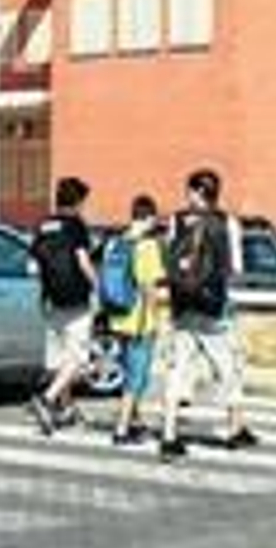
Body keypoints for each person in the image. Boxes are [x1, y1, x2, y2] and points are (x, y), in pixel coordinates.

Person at [159, 167, 259, 461]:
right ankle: (232, 430)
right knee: (229, 369)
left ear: (196, 192)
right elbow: (236, 269)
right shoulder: (227, 222)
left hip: (183, 308)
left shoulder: (176, 220)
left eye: (189, 190)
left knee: (177, 370)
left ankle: (168, 435)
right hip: (214, 309)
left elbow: (170, 263)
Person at [28, 175, 99, 436]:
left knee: (60, 360)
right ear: (78, 201)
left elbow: (33, 266)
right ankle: (47, 399)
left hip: (50, 300)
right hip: (76, 299)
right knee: (78, 359)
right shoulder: (75, 225)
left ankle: (65, 410)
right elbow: (83, 261)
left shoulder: (44, 225)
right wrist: (97, 286)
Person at [108, 194, 166, 446]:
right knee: (137, 378)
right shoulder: (147, 246)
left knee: (129, 372)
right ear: (150, 217)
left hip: (117, 317)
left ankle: (135, 422)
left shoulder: (115, 242)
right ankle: (121, 429)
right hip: (139, 320)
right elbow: (149, 287)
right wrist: (159, 318)